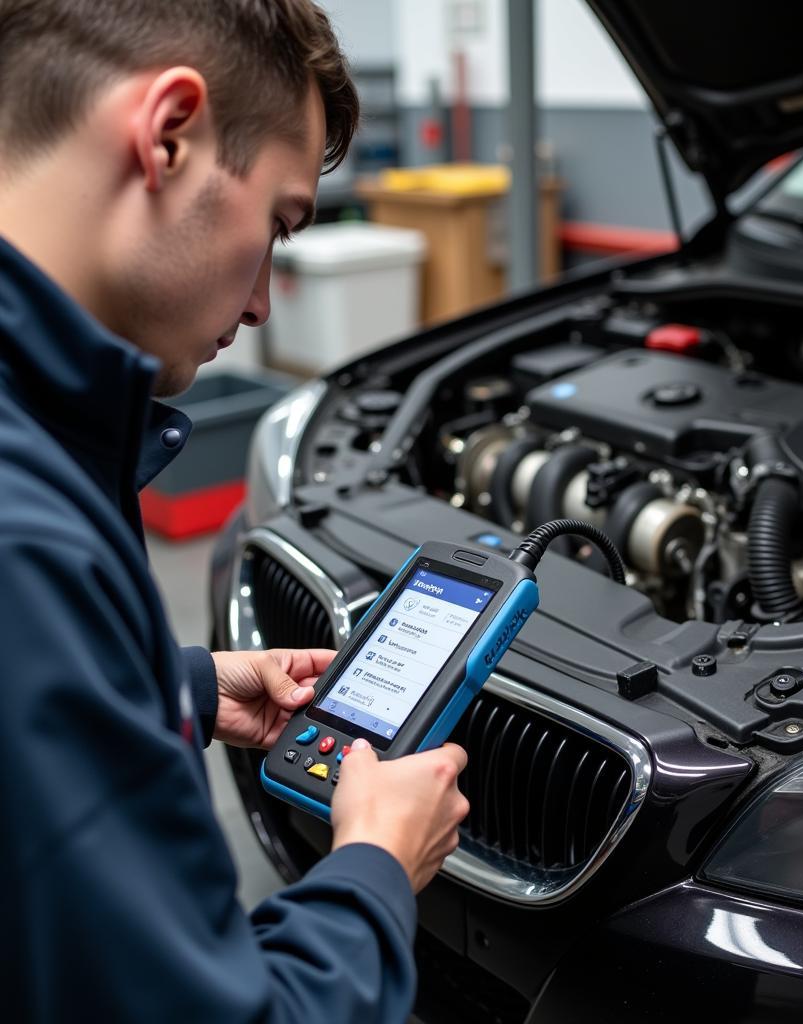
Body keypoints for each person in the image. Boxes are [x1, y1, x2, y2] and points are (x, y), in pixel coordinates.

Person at [0, 1, 470, 1020]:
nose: (261, 302)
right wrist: (376, 867)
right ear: (169, 134)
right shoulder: (23, 541)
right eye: (279, 224)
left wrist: (174, 687)